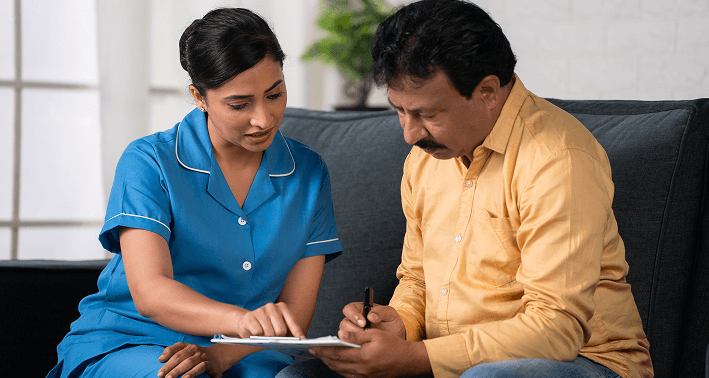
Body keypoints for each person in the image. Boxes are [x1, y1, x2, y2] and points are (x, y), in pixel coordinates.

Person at [277, 0, 653, 377]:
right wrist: (400, 325)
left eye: (428, 113)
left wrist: (413, 358)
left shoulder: (557, 159)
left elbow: (556, 331)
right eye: (399, 110)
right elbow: (417, 277)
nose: (410, 134)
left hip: (584, 363)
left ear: (488, 91)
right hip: (452, 364)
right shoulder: (427, 158)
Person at [46, 8, 342, 378]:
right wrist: (243, 320)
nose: (264, 119)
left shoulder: (309, 173)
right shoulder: (148, 161)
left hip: (245, 352)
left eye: (274, 94)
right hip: (134, 340)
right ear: (199, 97)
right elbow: (150, 292)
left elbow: (294, 311)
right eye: (239, 104)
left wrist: (223, 353)